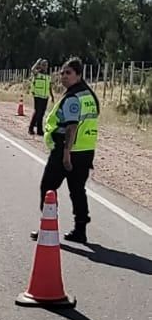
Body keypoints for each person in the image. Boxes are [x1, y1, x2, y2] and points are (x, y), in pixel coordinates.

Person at [38, 57, 99, 244]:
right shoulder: (88, 94)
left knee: (47, 188)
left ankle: (49, 228)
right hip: (86, 150)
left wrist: (65, 154)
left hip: (67, 152)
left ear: (79, 75)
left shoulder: (73, 97)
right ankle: (80, 229)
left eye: (69, 73)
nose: (64, 76)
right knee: (77, 190)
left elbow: (71, 127)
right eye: (62, 72)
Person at [27, 58, 51, 136]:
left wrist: (52, 96)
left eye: (46, 65)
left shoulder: (47, 76)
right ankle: (31, 128)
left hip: (45, 96)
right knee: (37, 112)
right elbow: (32, 69)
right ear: (40, 66)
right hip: (38, 95)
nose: (45, 66)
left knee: (42, 113)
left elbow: (49, 86)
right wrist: (37, 62)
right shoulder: (37, 73)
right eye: (43, 65)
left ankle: (39, 130)